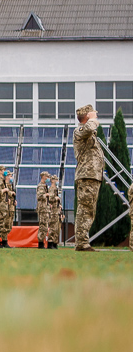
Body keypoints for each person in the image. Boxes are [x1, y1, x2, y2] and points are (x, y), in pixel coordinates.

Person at [73, 104, 103, 252]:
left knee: (89, 210)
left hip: (92, 176)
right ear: (87, 116)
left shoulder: (87, 133)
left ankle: (83, 242)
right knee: (85, 209)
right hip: (87, 175)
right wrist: (92, 119)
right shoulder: (80, 130)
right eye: (93, 114)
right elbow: (89, 128)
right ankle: (82, 243)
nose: (96, 116)